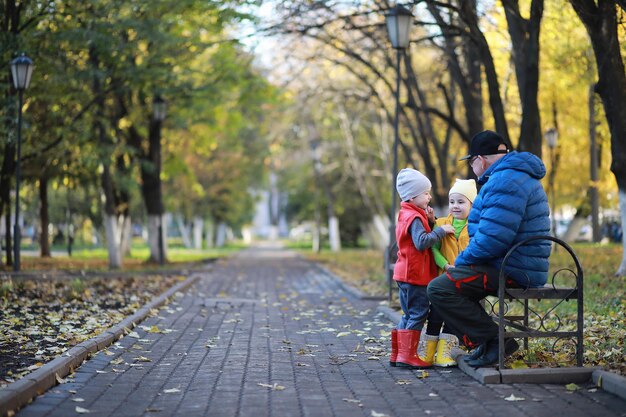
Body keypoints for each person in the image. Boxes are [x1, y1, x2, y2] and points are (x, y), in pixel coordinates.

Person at [427, 130, 551, 368]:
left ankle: (496, 341)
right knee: (452, 286)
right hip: (514, 263)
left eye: (471, 161)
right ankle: (487, 342)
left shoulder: (505, 180)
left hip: (513, 268)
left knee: (440, 289)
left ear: (480, 159)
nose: (472, 166)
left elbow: (493, 239)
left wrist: (461, 263)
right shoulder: (512, 176)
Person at [390, 168, 455, 369]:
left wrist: (431, 221)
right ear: (412, 195)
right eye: (425, 193)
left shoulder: (407, 213)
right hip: (414, 275)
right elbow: (421, 242)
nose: (429, 196)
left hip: (405, 273)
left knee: (408, 314)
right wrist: (441, 231)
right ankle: (407, 356)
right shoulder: (414, 218)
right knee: (418, 313)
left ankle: (398, 354)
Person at [418, 179, 477, 367]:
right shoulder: (441, 224)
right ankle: (427, 352)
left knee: (454, 315)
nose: (455, 206)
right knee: (436, 314)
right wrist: (444, 265)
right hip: (442, 279)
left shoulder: (476, 227)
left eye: (461, 202)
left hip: (464, 281)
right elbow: (433, 249)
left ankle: (445, 353)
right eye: (452, 202)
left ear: (472, 204)